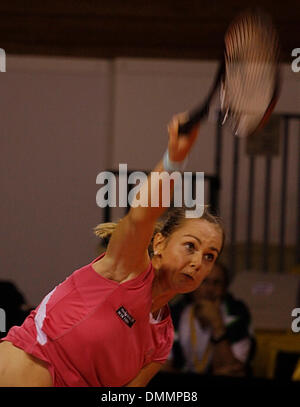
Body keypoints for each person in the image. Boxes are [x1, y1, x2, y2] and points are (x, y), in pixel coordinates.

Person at [0, 114, 224, 387]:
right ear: (159, 244)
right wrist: (174, 160)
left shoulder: (161, 341)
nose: (198, 262)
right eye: (190, 246)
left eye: (209, 256)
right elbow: (142, 214)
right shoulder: (129, 268)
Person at [165, 262, 255, 376]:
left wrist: (217, 325)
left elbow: (233, 371)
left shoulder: (236, 314)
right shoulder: (175, 313)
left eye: (217, 283)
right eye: (204, 281)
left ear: (224, 289)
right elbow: (163, 368)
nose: (210, 289)